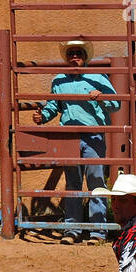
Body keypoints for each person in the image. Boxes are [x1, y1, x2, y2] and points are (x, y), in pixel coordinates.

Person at [31, 38, 119, 245]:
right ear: (67, 58)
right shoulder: (59, 80)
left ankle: (98, 232)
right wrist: (42, 117)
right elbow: (54, 106)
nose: (75, 57)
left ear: (85, 57)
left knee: (96, 181)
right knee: (73, 184)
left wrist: (102, 96)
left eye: (78, 54)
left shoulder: (98, 77)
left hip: (93, 135)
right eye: (71, 54)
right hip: (69, 135)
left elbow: (116, 104)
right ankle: (72, 230)